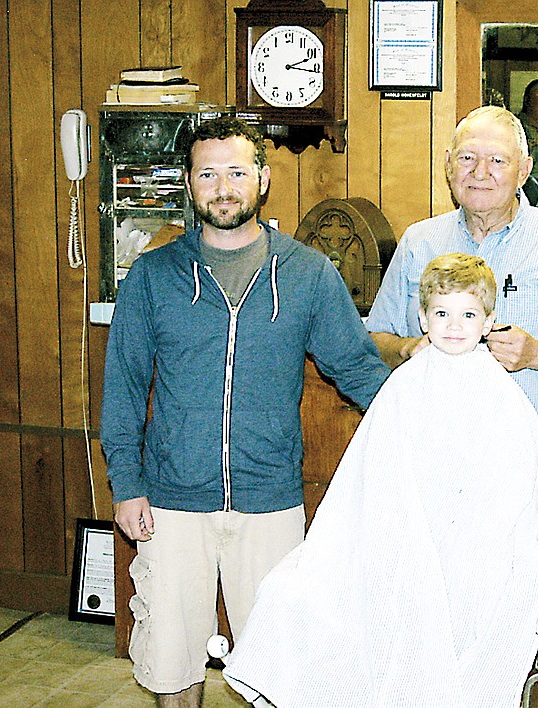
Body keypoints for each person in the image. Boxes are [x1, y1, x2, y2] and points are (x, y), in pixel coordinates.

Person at [223, 253, 538, 707]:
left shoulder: (497, 387)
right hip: (404, 528)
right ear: (423, 318)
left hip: (473, 540)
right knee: (295, 596)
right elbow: (376, 469)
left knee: (474, 608)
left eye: (468, 315)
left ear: (488, 323)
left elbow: (510, 474)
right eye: (442, 314)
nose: (454, 326)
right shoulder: (405, 384)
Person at [100, 116, 390, 707]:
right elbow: (124, 390)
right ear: (189, 182)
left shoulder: (308, 273)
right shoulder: (152, 278)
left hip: (269, 501)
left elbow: (359, 371)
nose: (223, 186)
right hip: (170, 501)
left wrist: (428, 420)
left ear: (262, 178)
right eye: (208, 173)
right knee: (169, 662)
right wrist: (127, 487)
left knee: (277, 669)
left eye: (236, 171)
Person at [365, 105, 538, 427]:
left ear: (524, 171)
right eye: (467, 158)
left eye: (498, 161)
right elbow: (375, 340)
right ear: (448, 165)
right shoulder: (419, 241)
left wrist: (537, 355)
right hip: (434, 442)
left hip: (535, 449)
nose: (480, 172)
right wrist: (409, 350)